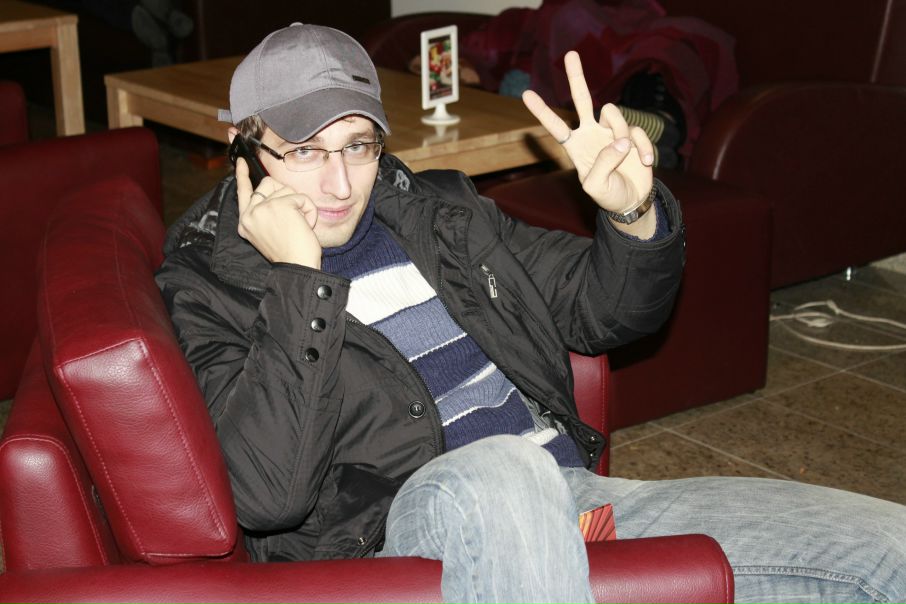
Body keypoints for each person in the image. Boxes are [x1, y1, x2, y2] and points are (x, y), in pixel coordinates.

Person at [156, 23, 906, 604]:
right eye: (303, 151)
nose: (339, 183)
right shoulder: (208, 281)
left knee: (887, 549)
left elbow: (602, 312)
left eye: (357, 147)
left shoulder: (440, 212)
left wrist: (633, 214)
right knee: (500, 468)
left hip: (567, 504)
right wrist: (298, 282)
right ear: (243, 146)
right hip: (398, 544)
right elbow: (268, 494)